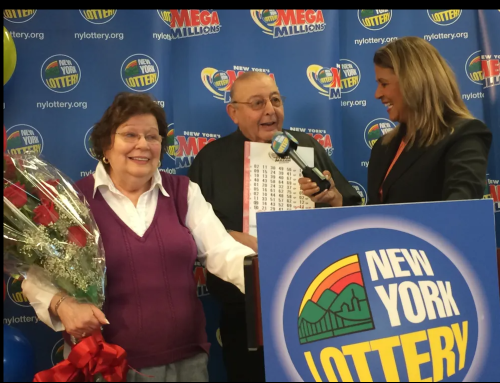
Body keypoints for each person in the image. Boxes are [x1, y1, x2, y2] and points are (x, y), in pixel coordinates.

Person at [21, 92, 257, 382]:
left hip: (188, 362)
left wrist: (273, 279)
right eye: (130, 135)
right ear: (106, 144)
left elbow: (224, 253)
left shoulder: (184, 192)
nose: (143, 144)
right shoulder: (73, 201)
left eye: (152, 137)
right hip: (107, 365)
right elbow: (35, 278)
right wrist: (63, 305)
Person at [188, 71, 361, 381]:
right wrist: (229, 238)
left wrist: (332, 197)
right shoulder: (210, 159)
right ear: (234, 112)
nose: (270, 110)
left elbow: (349, 211)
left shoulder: (305, 146)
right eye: (257, 103)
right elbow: (189, 231)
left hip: (314, 297)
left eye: (275, 100)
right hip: (242, 303)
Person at [300, 36, 492, 205]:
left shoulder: (464, 135)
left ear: (414, 82)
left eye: (384, 84)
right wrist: (336, 199)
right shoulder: (383, 147)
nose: (377, 94)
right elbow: (378, 220)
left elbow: (462, 210)